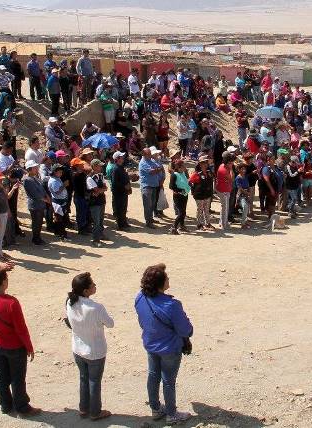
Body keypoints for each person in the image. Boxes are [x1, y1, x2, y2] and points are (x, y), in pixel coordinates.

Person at [0, 262, 41, 417]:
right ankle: (22, 407)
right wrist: (29, 347)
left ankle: (5, 406)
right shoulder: (11, 303)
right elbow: (21, 329)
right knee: (17, 379)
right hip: (14, 347)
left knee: (1, 376)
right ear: (3, 282)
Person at [134, 264, 193, 424]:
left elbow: (142, 320)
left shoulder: (140, 297)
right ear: (160, 284)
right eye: (166, 278)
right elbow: (185, 329)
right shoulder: (171, 305)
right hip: (169, 348)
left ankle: (155, 408)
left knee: (153, 376)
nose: (168, 280)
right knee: (168, 380)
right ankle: (172, 414)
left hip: (151, 344)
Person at [66, 272, 114, 421]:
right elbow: (110, 323)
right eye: (92, 284)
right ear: (86, 291)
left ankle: (83, 408)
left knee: (83, 378)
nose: (95, 285)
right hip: (94, 351)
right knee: (94, 381)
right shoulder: (96, 307)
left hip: (78, 348)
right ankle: (95, 412)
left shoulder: (70, 301)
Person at [22, 160, 48, 245]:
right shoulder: (27, 180)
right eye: (35, 168)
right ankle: (36, 239)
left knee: (39, 222)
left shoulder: (34, 178)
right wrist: (46, 200)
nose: (37, 169)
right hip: (35, 205)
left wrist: (46, 197)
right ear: (30, 169)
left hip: (40, 204)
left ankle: (37, 237)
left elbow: (41, 189)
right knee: (36, 222)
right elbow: (34, 194)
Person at [138, 147, 164, 228]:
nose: (151, 155)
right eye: (149, 154)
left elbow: (159, 167)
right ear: (144, 154)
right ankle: (148, 222)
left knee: (152, 204)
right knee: (147, 205)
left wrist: (158, 169)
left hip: (153, 185)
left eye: (150, 153)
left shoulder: (150, 160)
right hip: (147, 186)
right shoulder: (143, 163)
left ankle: (151, 219)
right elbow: (152, 171)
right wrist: (158, 169)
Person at [87, 159, 107, 246]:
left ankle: (101, 235)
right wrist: (100, 190)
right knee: (96, 222)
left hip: (101, 200)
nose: (101, 167)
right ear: (94, 166)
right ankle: (96, 240)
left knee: (101, 220)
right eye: (99, 165)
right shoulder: (89, 178)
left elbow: (105, 188)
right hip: (94, 203)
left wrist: (100, 190)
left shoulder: (100, 175)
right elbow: (96, 190)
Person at [109, 151, 131, 230]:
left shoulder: (121, 167)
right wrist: (124, 186)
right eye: (121, 157)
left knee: (124, 208)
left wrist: (128, 186)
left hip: (123, 192)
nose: (123, 158)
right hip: (118, 193)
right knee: (119, 209)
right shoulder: (115, 169)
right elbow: (115, 183)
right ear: (117, 159)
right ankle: (121, 225)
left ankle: (124, 222)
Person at [168, 159, 190, 234]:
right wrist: (180, 190)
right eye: (183, 166)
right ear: (179, 167)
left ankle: (182, 226)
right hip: (178, 196)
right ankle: (173, 227)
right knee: (181, 213)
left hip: (184, 195)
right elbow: (171, 186)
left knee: (184, 211)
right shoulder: (174, 175)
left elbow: (185, 182)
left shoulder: (183, 173)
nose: (185, 167)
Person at [215, 152, 234, 230]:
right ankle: (223, 224)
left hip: (225, 189)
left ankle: (222, 222)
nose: (232, 163)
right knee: (225, 208)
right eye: (230, 162)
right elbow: (232, 179)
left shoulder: (223, 166)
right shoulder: (223, 169)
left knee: (224, 207)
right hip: (223, 190)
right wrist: (231, 169)